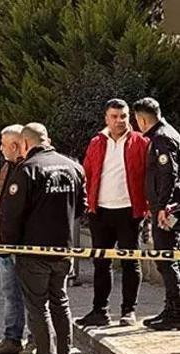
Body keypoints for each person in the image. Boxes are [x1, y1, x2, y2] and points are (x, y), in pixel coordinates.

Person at [1, 123, 86, 354]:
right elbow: (81, 207)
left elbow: (12, 215)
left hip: (33, 252)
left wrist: (8, 246)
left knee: (38, 306)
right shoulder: (73, 167)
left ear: (25, 144)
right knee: (60, 301)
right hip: (64, 249)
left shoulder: (27, 170)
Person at [76, 99, 149, 327]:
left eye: (123, 116)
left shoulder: (141, 142)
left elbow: (148, 176)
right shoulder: (96, 142)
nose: (120, 121)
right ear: (106, 118)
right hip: (100, 212)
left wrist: (147, 208)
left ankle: (128, 311)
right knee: (101, 263)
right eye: (115, 116)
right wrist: (87, 204)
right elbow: (87, 173)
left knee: (130, 262)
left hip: (129, 212)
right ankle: (100, 311)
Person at [0, 124, 36, 354]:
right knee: (10, 293)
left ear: (15, 146)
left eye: (3, 144)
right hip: (4, 243)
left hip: (24, 245)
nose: (0, 148)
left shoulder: (29, 170)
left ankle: (35, 339)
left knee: (31, 296)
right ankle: (12, 338)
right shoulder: (7, 168)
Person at [133, 97, 180, 330]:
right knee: (166, 259)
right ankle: (171, 309)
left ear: (141, 120)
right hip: (168, 206)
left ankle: (176, 313)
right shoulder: (169, 133)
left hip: (167, 209)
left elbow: (168, 173)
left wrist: (162, 206)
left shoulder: (161, 138)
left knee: (166, 259)